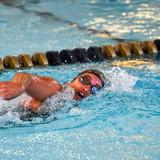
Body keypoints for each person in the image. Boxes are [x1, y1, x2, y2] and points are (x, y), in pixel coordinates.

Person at [0, 69, 106, 119]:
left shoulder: (67, 106)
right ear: (73, 80)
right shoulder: (58, 89)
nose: (86, 88)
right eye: (85, 80)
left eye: (94, 89)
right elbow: (28, 78)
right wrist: (18, 85)